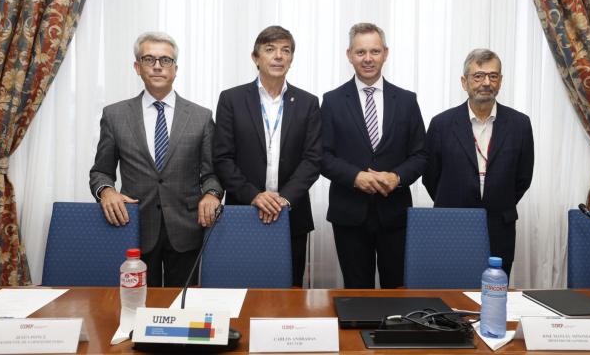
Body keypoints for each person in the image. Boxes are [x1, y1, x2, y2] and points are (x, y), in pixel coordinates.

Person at [89, 32, 223, 287]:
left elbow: (212, 174)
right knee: (137, 308)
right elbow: (101, 171)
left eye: (166, 60)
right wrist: (106, 191)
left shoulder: (201, 116)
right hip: (134, 227)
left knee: (183, 310)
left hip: (187, 229)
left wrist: (212, 194)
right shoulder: (115, 115)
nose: (158, 65)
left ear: (175, 69)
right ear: (137, 67)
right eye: (149, 59)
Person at [212, 26, 321, 287]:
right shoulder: (231, 99)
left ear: (291, 59)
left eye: (285, 50)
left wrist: (284, 199)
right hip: (244, 210)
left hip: (291, 214)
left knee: (290, 292)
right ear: (255, 57)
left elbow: (313, 158)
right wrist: (254, 195)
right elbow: (223, 158)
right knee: (241, 288)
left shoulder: (308, 102)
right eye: (270, 49)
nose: (278, 56)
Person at [320, 23, 426, 289]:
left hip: (395, 214)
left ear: (386, 53)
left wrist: (397, 177)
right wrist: (355, 177)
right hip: (349, 214)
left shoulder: (407, 100)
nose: (368, 58)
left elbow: (421, 154)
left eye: (375, 51)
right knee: (356, 294)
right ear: (349, 55)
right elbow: (322, 155)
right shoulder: (332, 101)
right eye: (361, 52)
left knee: (398, 292)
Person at [422, 48, 534, 276]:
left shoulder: (520, 124)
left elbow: (523, 178)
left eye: (493, 76)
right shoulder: (441, 124)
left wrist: (496, 199)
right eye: (478, 76)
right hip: (452, 224)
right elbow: (431, 177)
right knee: (451, 292)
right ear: (464, 82)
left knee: (494, 293)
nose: (486, 82)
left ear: (500, 81)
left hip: (499, 225)